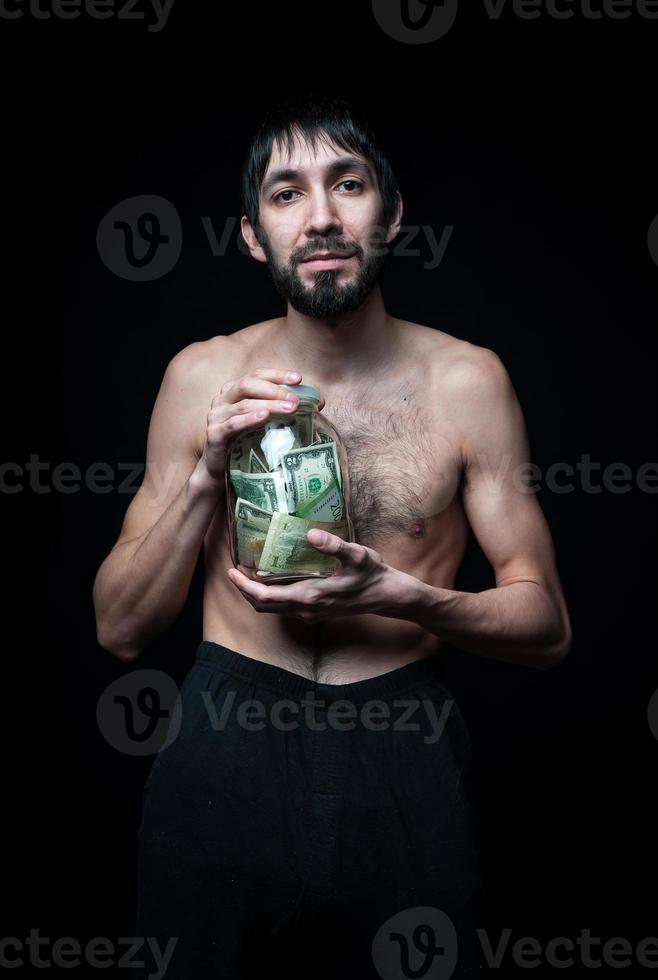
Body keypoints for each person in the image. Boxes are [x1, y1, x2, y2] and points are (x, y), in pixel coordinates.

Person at [93, 93, 572, 979]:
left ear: (390, 214)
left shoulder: (468, 381)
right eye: (286, 194)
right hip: (226, 733)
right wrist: (204, 478)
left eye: (347, 184)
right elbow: (118, 628)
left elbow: (547, 627)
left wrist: (409, 596)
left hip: (405, 746)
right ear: (251, 234)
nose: (320, 217)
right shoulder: (200, 374)